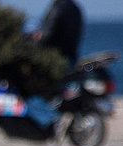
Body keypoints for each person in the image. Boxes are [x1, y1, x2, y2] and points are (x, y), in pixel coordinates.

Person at [26, 0, 84, 130]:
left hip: (57, 59)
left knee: (34, 88)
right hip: (71, 55)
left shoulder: (58, 8)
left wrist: (36, 42)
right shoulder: (75, 8)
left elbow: (48, 34)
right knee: (60, 89)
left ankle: (49, 120)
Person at [33, 0, 84, 68]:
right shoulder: (74, 7)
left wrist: (36, 39)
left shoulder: (59, 7)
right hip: (71, 59)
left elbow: (48, 35)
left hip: (57, 61)